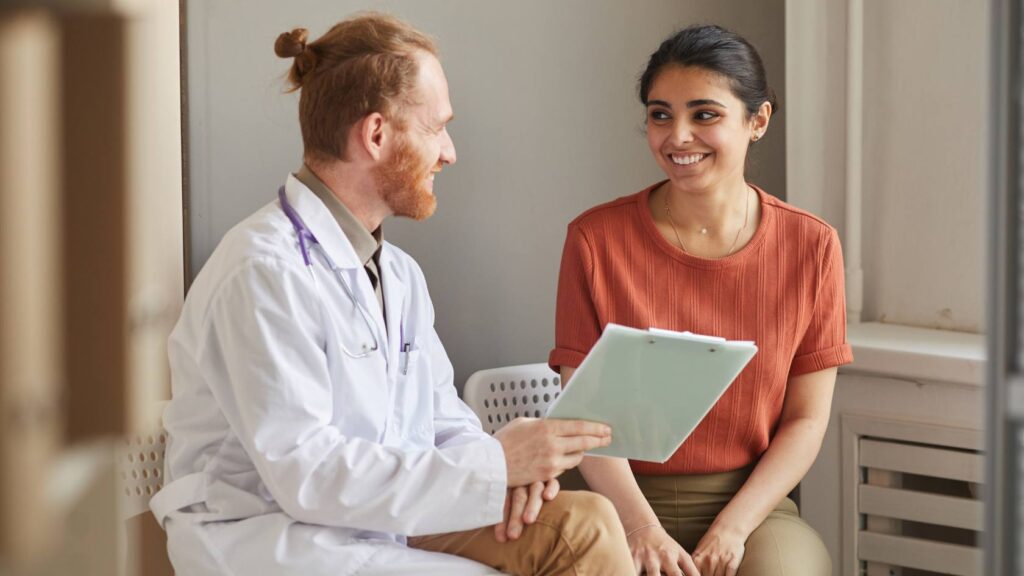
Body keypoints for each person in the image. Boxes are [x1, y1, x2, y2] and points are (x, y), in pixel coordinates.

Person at [152, 13, 634, 576]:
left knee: (589, 526)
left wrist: (510, 471)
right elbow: (307, 474)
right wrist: (496, 466)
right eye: (437, 128)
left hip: (385, 516)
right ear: (376, 135)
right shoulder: (264, 273)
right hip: (272, 537)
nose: (449, 152)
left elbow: (442, 420)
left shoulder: (398, 275)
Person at [550, 25, 853, 576]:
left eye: (704, 114)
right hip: (612, 498)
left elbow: (806, 420)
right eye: (660, 114)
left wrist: (733, 529)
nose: (677, 136)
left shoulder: (812, 245)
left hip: (749, 505)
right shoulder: (594, 240)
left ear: (757, 120)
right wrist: (641, 530)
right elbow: (583, 417)